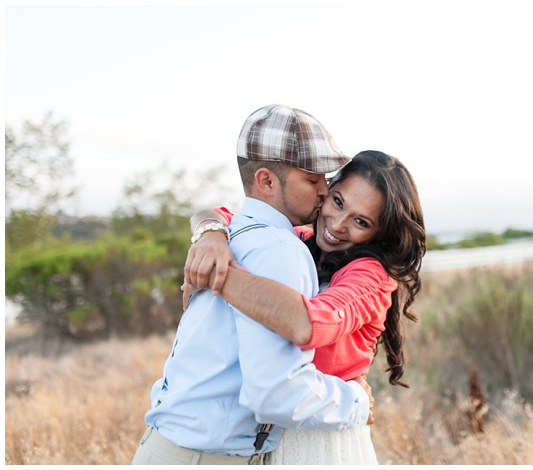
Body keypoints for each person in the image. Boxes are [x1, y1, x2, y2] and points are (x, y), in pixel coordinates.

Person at [132, 104, 375, 465]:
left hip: (166, 448)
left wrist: (208, 231)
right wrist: (355, 400)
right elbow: (277, 394)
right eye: (312, 180)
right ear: (266, 181)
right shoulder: (281, 249)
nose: (324, 190)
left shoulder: (234, 234)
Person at [182, 150, 427, 464]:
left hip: (325, 441)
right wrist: (209, 238)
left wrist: (214, 273)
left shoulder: (371, 276)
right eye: (337, 201)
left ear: (380, 232)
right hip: (270, 437)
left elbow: (308, 324)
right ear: (325, 191)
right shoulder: (300, 239)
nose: (338, 225)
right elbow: (217, 214)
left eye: (361, 221)